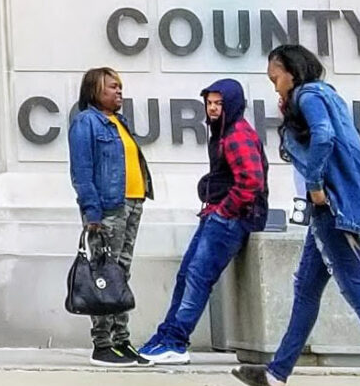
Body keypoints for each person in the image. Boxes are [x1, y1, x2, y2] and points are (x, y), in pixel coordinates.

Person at [232, 44, 360, 386]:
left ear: (292, 72)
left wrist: (316, 185)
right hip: (332, 209)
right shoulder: (324, 96)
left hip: (331, 208)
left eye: (276, 78)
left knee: (358, 292)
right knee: (306, 289)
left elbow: (323, 137)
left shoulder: (309, 97)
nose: (275, 87)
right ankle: (276, 374)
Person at [136, 77, 267, 364]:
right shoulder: (223, 133)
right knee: (187, 274)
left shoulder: (236, 135)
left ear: (232, 104)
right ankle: (168, 335)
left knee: (197, 278)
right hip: (219, 214)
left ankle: (175, 341)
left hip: (231, 218)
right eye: (209, 103)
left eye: (219, 103)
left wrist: (225, 210)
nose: (213, 109)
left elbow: (252, 181)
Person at [64, 65, 151, 365]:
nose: (119, 91)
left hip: (132, 203)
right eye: (112, 86)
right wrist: (92, 213)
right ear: (95, 90)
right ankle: (102, 344)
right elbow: (82, 172)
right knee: (102, 275)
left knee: (120, 275)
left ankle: (122, 341)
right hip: (107, 209)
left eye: (120, 86)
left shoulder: (119, 122)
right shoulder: (86, 122)